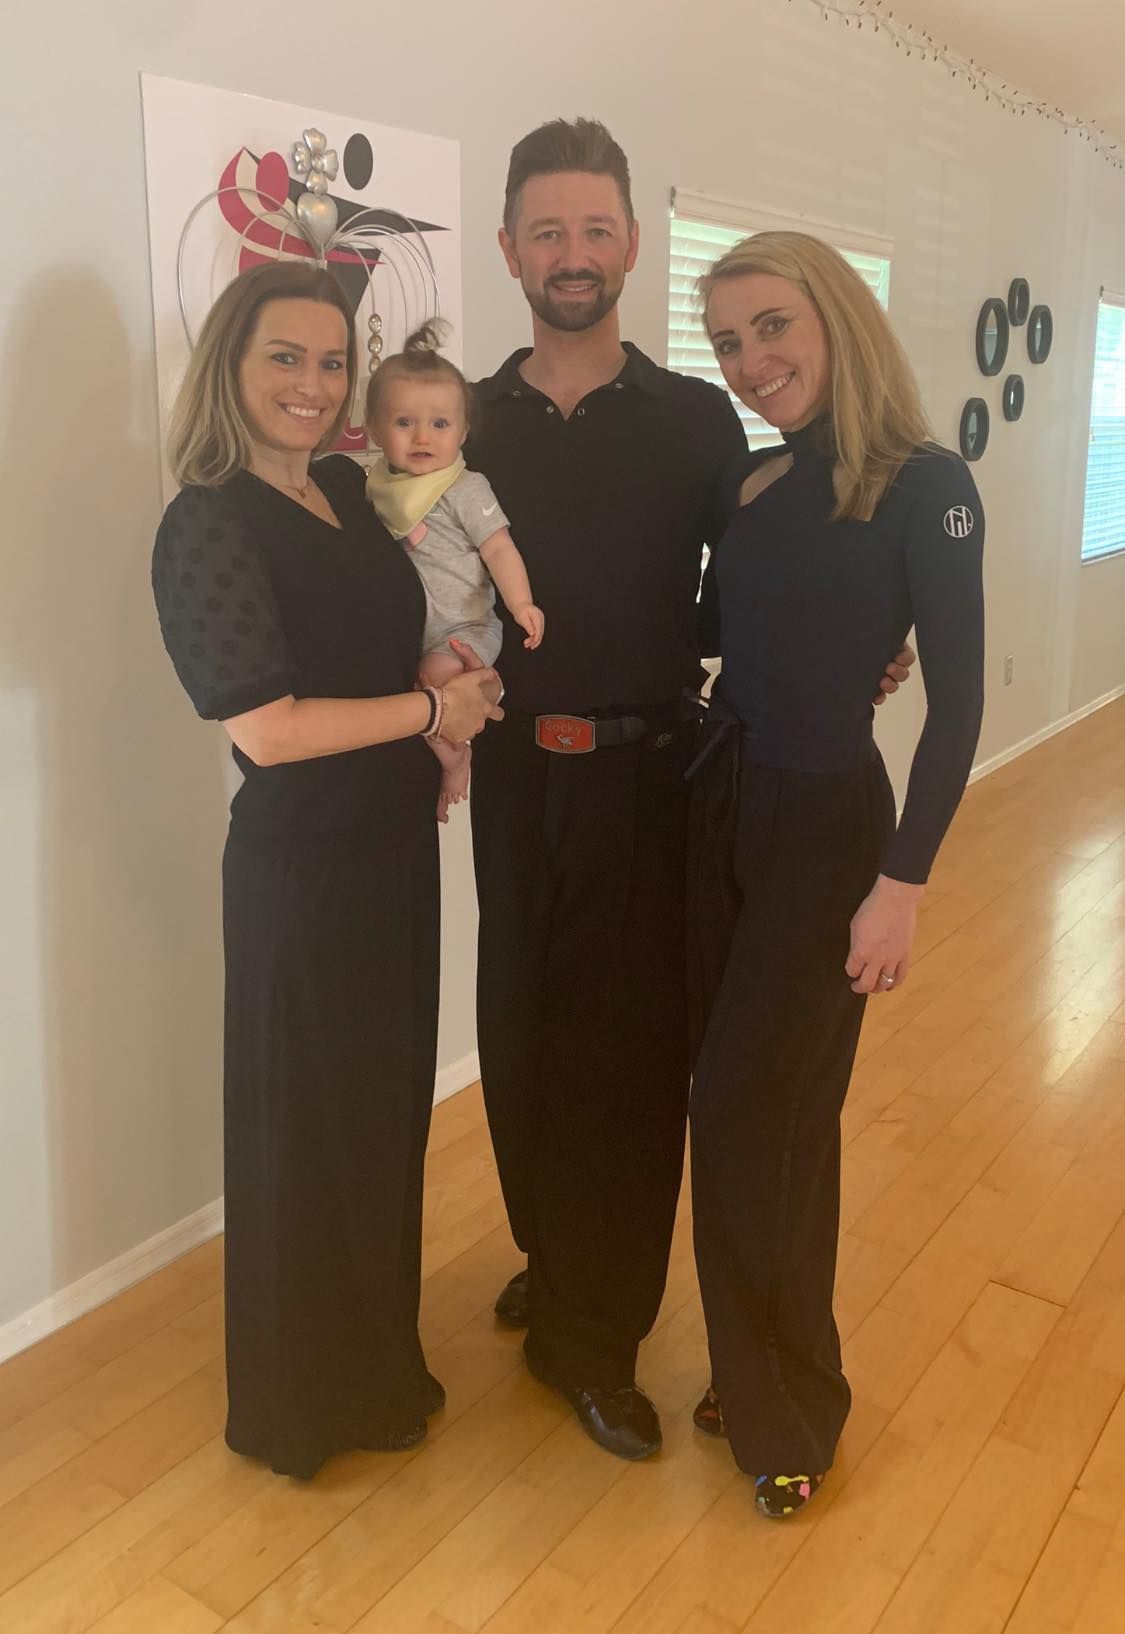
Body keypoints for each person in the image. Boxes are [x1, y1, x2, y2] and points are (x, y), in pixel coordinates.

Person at [466, 120, 914, 1461]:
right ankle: (557, 1256)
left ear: (630, 245)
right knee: (518, 1042)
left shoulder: (698, 418)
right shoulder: (461, 417)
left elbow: (762, 569)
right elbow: (413, 578)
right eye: (546, 229)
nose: (572, 253)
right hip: (506, 774)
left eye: (595, 228)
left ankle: (592, 1342)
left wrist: (861, 630)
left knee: (615, 1060)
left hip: (656, 776)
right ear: (508, 249)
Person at [150, 260, 502, 1480]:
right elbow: (270, 726)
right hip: (301, 875)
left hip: (395, 852)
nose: (314, 383)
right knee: (304, 1132)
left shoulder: (354, 494)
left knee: (382, 1116)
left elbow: (432, 606)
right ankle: (297, 1403)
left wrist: (459, 696)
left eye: (332, 360)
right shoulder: (205, 519)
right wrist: (431, 709)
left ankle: (377, 1366)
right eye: (284, 358)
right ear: (232, 370)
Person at [687, 231, 985, 1517]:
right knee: (725, 1102)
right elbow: (716, 632)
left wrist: (903, 881)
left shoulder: (927, 482)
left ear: (835, 315)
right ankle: (744, 1358)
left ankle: (795, 1399)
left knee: (779, 1117)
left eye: (769, 328)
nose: (752, 362)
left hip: (826, 830)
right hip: (720, 802)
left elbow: (962, 698)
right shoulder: (754, 488)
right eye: (728, 344)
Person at [365, 322, 544, 821]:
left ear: (462, 432)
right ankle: (447, 755)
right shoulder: (375, 489)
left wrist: (521, 604)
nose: (423, 436)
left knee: (435, 690)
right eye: (405, 423)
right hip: (411, 635)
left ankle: (456, 759)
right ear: (375, 428)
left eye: (440, 424)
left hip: (463, 630)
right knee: (403, 697)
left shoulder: (465, 488)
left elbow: (499, 547)